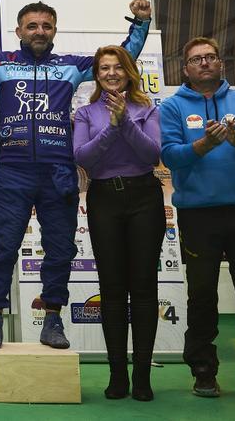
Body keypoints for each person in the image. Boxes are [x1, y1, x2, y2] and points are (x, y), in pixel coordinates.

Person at [0, 0, 151, 351]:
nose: (39, 32)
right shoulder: (0, 63)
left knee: (59, 250)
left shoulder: (70, 67)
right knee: (3, 249)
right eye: (32, 26)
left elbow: (122, 58)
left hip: (58, 171)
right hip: (13, 170)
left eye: (46, 26)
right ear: (19, 31)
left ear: (54, 30)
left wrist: (141, 21)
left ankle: (53, 319)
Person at [160, 36, 235, 400]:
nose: (205, 63)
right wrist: (205, 145)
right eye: (196, 59)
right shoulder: (172, 107)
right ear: (186, 69)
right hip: (198, 216)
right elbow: (169, 155)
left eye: (210, 57)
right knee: (201, 296)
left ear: (221, 63)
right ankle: (203, 372)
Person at [72, 46, 162, 401]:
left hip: (144, 198)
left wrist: (125, 120)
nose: (111, 73)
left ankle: (142, 376)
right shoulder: (86, 112)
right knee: (111, 288)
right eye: (104, 68)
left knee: (143, 287)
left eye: (117, 68)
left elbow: (152, 154)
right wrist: (112, 126)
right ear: (96, 75)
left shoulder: (147, 108)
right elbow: (84, 158)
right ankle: (117, 375)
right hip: (105, 198)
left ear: (128, 72)